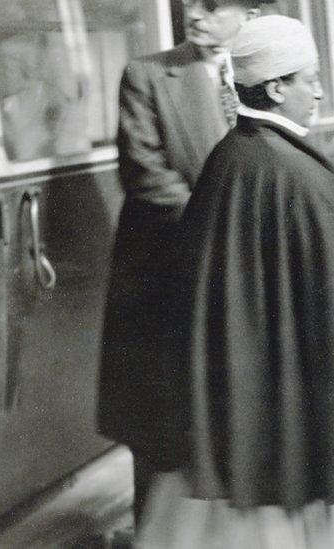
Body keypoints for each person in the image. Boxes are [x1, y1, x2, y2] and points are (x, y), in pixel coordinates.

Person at [135, 15, 334, 547]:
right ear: (275, 87)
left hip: (243, 402)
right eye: (308, 78)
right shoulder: (282, 166)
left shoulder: (234, 156)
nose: (318, 91)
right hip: (279, 411)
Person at [97, 0, 263, 524]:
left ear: (251, 13)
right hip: (168, 281)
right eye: (191, 2)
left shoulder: (265, 78)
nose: (195, 12)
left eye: (214, 5)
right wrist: (228, 229)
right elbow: (147, 176)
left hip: (241, 284)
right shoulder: (147, 75)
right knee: (161, 431)